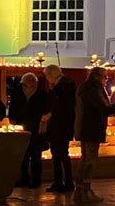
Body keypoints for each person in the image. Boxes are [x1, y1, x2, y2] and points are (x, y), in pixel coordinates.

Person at [73, 67, 115, 203]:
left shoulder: (89, 87)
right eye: (105, 77)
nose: (106, 80)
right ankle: (84, 191)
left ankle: (81, 190)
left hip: (88, 128)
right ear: (98, 76)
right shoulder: (92, 89)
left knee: (86, 160)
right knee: (89, 161)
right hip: (90, 129)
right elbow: (104, 108)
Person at [8, 73, 48, 188]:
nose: (25, 86)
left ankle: (36, 180)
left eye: (28, 83)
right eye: (24, 84)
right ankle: (24, 179)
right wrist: (13, 119)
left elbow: (45, 109)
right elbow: (13, 107)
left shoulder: (41, 94)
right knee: (23, 156)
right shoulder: (18, 92)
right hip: (22, 127)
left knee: (36, 156)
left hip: (36, 129)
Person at [41, 64, 76, 193]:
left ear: (51, 75)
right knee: (56, 154)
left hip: (62, 125)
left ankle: (68, 182)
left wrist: (51, 114)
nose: (46, 78)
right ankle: (58, 182)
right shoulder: (57, 86)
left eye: (47, 75)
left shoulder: (65, 86)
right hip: (56, 126)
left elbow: (65, 107)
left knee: (63, 154)